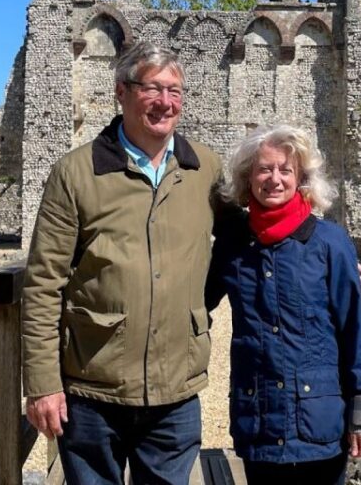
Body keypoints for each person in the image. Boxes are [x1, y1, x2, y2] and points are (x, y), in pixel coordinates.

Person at [22, 41, 223, 485]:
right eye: (152, 88)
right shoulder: (76, 173)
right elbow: (42, 284)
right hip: (94, 387)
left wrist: (331, 256)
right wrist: (42, 384)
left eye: (175, 91)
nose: (165, 102)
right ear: (121, 91)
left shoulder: (204, 168)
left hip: (176, 389)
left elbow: (252, 233)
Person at [205, 125, 361, 485]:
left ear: (301, 178)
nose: (275, 179)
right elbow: (193, 304)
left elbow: (354, 333)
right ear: (248, 177)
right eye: (264, 169)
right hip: (259, 420)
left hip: (319, 423)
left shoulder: (330, 243)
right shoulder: (232, 246)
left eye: (285, 170)